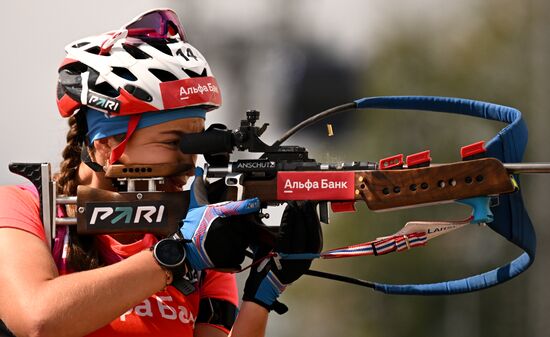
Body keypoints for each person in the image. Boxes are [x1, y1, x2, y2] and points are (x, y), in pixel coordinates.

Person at [0, 9, 322, 337]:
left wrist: (262, 295)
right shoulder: (25, 211)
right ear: (108, 141)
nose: (189, 159)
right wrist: (176, 256)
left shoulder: (197, 231)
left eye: (197, 139)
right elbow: (37, 320)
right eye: (172, 141)